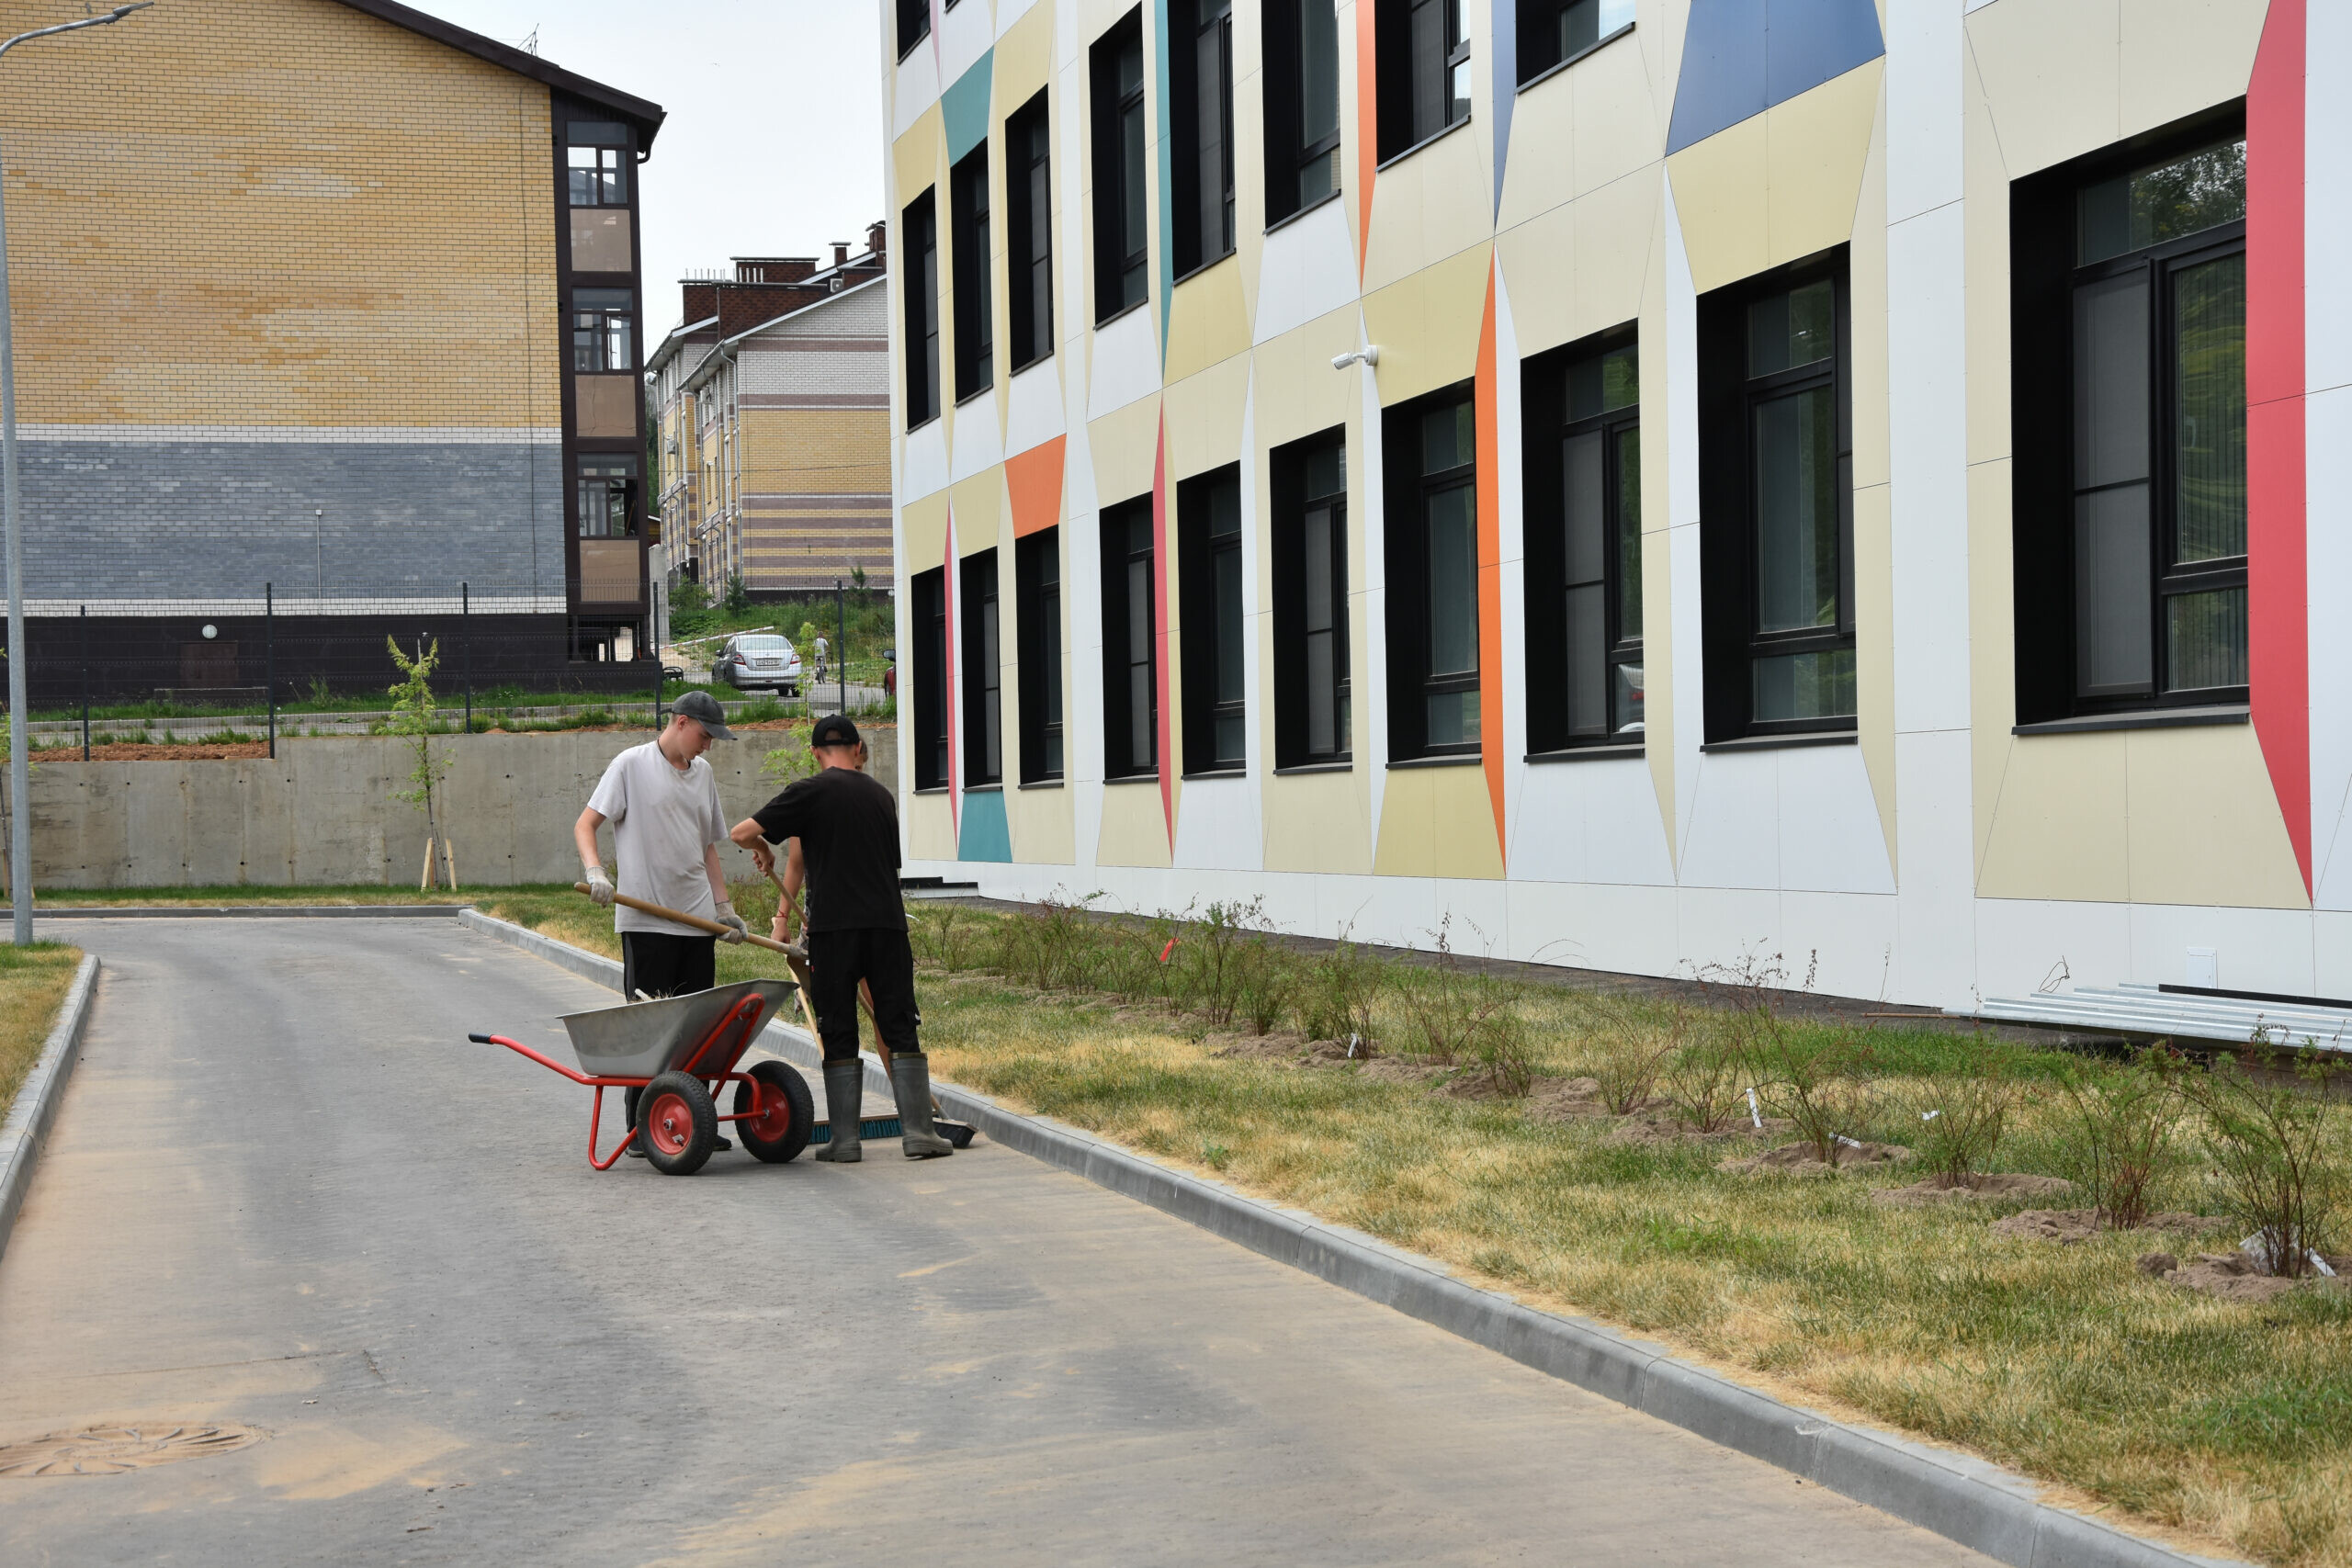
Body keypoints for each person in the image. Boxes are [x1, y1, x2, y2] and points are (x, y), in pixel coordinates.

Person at [730, 714, 951, 1162]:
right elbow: (891, 864)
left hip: (833, 931)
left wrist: (762, 849)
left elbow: (740, 833)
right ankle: (919, 1135)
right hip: (888, 927)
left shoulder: (809, 792)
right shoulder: (881, 797)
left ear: (815, 753)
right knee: (898, 1022)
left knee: (838, 1029)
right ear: (855, 748)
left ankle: (845, 1142)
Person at [575, 690, 752, 1005]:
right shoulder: (630, 765)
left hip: (698, 922)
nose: (708, 746)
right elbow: (585, 825)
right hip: (647, 921)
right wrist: (595, 873)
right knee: (650, 1025)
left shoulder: (704, 774)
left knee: (694, 1028)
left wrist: (723, 908)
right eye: (705, 736)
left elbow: (707, 846)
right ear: (682, 723)